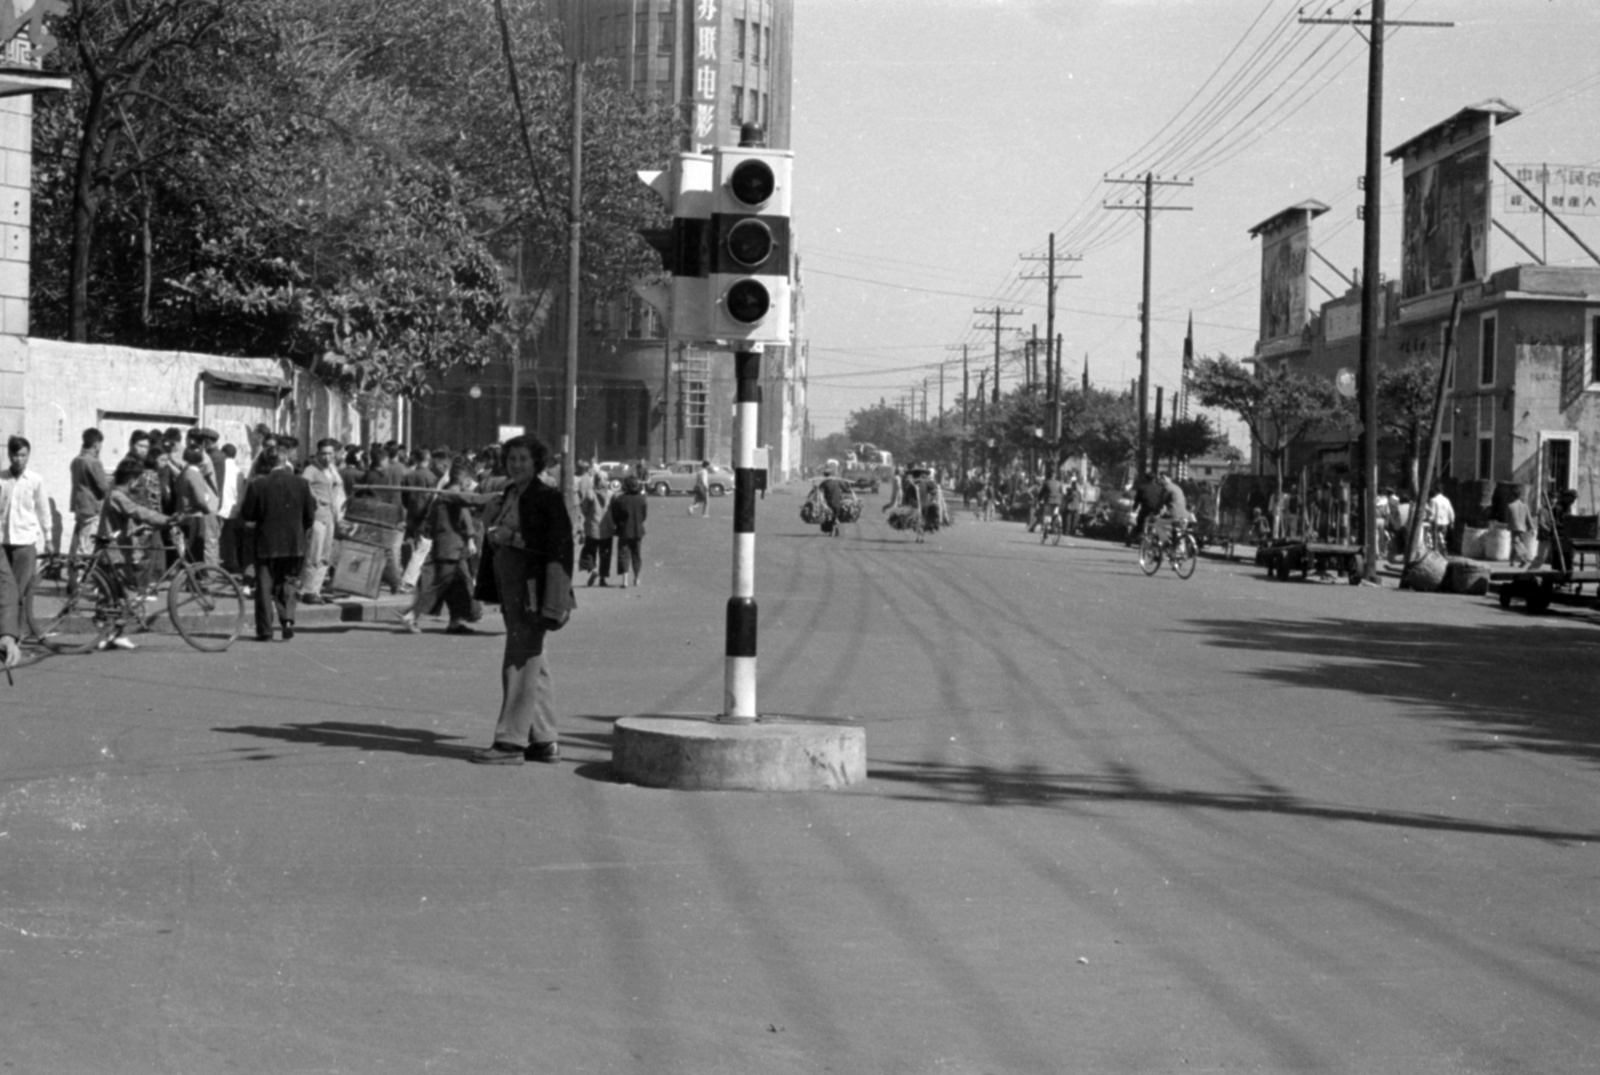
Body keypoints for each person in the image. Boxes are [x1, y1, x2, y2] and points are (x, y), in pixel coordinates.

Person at [471, 434, 573, 765]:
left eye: (523, 460)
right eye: (512, 459)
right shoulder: (511, 494)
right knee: (533, 658)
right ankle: (544, 740)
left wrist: (511, 536)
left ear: (536, 463)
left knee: (518, 660)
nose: (516, 465)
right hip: (510, 585)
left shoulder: (547, 497)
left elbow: (555, 547)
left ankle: (510, 743)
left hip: (532, 588)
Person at [238, 436, 317, 642]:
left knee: (264, 586)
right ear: (286, 461)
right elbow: (309, 516)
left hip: (266, 543)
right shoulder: (301, 483)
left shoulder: (258, 484)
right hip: (293, 543)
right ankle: (288, 619)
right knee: (288, 581)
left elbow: (247, 514)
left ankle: (264, 629)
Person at [96, 456, 178, 650]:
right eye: (138, 479)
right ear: (132, 479)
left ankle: (114, 634)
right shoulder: (117, 496)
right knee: (127, 596)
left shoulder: (115, 495)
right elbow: (137, 511)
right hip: (114, 553)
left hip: (115, 551)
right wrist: (166, 520)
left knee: (116, 597)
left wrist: (140, 530)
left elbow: (126, 521)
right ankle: (110, 633)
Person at [401, 456, 483, 634]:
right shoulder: (450, 495)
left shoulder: (449, 495)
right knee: (438, 585)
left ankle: (455, 621)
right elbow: (475, 501)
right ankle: (412, 615)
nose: (470, 485)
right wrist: (492, 497)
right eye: (468, 482)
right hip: (448, 549)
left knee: (459, 586)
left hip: (455, 549)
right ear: (462, 481)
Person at [1, 435, 48, 659]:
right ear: (8, 455)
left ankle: (16, 637)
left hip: (25, 542)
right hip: (3, 542)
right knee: (5, 592)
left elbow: (42, 509)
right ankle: (6, 636)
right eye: (15, 454)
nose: (19, 459)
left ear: (28, 456)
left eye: (23, 455)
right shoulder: (2, 479)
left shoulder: (35, 480)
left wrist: (48, 537)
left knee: (20, 593)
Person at [298, 438, 347, 603]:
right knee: (314, 554)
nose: (327, 457)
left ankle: (315, 590)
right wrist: (314, 497)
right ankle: (307, 590)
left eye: (330, 454)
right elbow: (303, 486)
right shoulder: (311, 469)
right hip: (317, 517)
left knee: (325, 555)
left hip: (330, 517)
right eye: (324, 453)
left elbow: (338, 487)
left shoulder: (332, 470)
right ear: (318, 454)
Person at [68, 427, 110, 570]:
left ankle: (73, 579)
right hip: (92, 509)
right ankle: (78, 580)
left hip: (80, 507)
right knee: (87, 547)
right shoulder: (93, 462)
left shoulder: (76, 461)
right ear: (96, 444)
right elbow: (104, 487)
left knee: (78, 543)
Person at [175, 444, 221, 566]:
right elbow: (200, 500)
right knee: (196, 551)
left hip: (185, 515)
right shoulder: (194, 475)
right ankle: (196, 579)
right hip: (194, 516)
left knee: (189, 550)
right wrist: (208, 512)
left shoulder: (184, 473)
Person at [608, 475, 648, 588]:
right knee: (636, 554)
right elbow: (644, 516)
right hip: (638, 530)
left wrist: (619, 524)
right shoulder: (642, 498)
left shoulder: (620, 499)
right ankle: (636, 578)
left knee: (623, 554)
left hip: (624, 530)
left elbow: (614, 515)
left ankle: (624, 580)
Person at [578, 461, 613, 586]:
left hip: (592, 529)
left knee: (588, 552)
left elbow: (584, 509)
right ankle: (603, 579)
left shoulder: (591, 493)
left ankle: (592, 570)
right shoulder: (611, 494)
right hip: (607, 530)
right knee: (605, 555)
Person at [815, 467, 853, 535]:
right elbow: (846, 489)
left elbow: (818, 492)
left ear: (824, 475)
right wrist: (849, 487)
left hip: (828, 503)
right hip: (837, 503)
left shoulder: (824, 483)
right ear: (831, 474)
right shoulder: (837, 481)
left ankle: (831, 529)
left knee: (828, 517)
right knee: (835, 515)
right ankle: (836, 523)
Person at [1503, 485, 1533, 567]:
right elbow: (1529, 518)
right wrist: (1531, 527)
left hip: (1514, 527)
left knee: (1516, 543)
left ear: (1513, 496)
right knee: (1517, 544)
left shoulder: (1510, 506)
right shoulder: (1525, 506)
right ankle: (1512, 561)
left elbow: (1507, 518)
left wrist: (1508, 524)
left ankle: (1524, 558)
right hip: (1523, 528)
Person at [1424, 485, 1454, 554]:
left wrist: (1428, 519)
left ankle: (1436, 554)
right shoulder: (1446, 500)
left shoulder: (1433, 500)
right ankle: (1443, 554)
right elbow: (1451, 512)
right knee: (1442, 540)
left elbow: (1432, 513)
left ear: (1435, 491)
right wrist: (1452, 521)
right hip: (1445, 523)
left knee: (1435, 542)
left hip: (1436, 523)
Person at [1063, 474, 1084, 539]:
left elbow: (1080, 500)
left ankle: (1070, 532)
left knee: (1072, 521)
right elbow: (1080, 500)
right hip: (1072, 508)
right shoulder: (1071, 491)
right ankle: (1068, 531)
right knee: (1069, 521)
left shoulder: (1076, 492)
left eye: (1076, 485)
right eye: (1075, 485)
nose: (1075, 486)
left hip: (1073, 508)